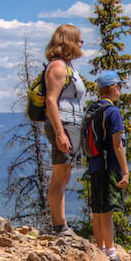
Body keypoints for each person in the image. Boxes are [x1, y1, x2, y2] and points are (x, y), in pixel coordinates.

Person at [42, 24, 88, 235]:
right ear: (68, 41)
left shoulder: (67, 67)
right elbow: (51, 101)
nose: (82, 43)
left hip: (71, 123)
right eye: (79, 39)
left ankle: (60, 225)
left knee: (65, 174)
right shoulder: (58, 67)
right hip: (64, 123)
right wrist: (60, 132)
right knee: (60, 175)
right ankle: (59, 226)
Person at [84, 70, 130, 261]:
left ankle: (100, 249)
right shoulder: (113, 112)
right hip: (109, 166)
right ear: (111, 88)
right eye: (119, 86)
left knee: (97, 210)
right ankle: (111, 254)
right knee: (108, 211)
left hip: (94, 164)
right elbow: (117, 144)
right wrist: (125, 171)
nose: (120, 90)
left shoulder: (92, 110)